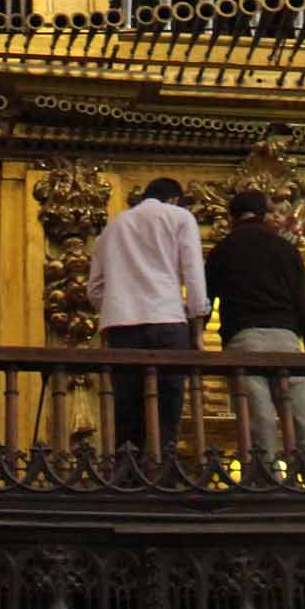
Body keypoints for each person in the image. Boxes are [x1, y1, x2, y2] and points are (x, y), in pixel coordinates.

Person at [204, 189, 305, 480]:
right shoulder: (286, 249)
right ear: (263, 214)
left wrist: (192, 341)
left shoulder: (222, 250)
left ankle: (265, 482)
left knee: (258, 419)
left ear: (232, 217)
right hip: (286, 340)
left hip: (244, 340)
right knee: (302, 417)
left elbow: (205, 302)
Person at [87, 177, 208, 461]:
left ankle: (127, 478)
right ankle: (162, 473)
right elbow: (193, 274)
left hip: (121, 326)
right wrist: (197, 327)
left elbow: (94, 289)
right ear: (175, 199)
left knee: (127, 407)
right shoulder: (180, 217)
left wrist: (119, 304)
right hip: (167, 321)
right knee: (167, 404)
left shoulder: (113, 226)